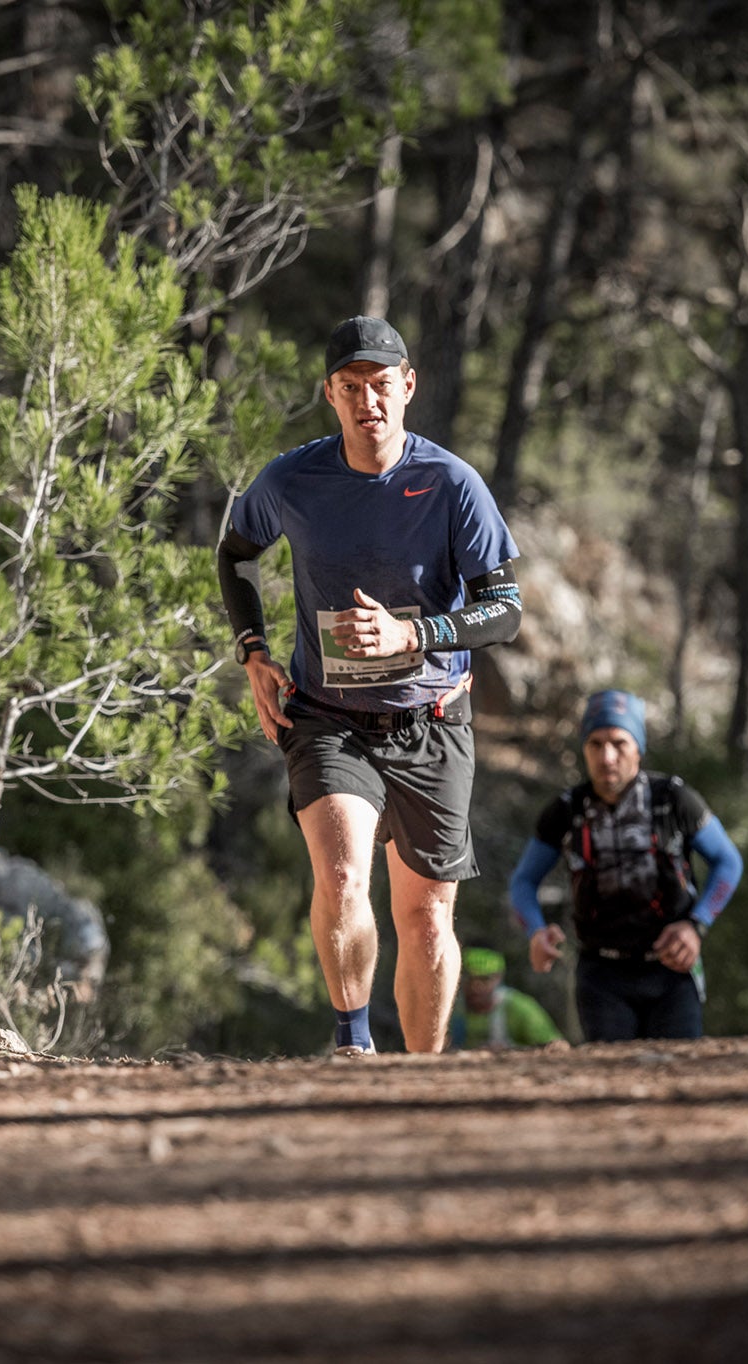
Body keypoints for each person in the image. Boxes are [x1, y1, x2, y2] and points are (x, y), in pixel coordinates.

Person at [217, 317, 521, 1056]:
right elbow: (236, 554)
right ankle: (353, 1045)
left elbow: (503, 609)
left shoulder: (451, 484)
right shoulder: (292, 479)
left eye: (382, 385)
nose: (368, 402)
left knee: (425, 921)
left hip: (432, 718)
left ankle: (423, 1077)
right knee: (346, 870)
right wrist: (253, 650)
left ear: (408, 387)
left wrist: (413, 635)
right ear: (330, 394)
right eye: (350, 388)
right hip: (329, 716)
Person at [508, 690, 743, 1042]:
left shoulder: (673, 799)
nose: (607, 756)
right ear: (584, 750)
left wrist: (697, 926)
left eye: (619, 743)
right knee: (611, 1084)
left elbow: (728, 862)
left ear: (639, 749)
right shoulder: (567, 810)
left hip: (672, 970)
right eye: (595, 744)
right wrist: (536, 932)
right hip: (601, 976)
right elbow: (523, 882)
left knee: (681, 1077)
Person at [448, 945, 565, 1050]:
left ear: (499, 978)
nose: (476, 987)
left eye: (485, 979)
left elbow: (556, 1046)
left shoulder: (519, 1007)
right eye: (470, 979)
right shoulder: (449, 1009)